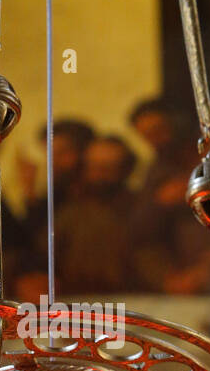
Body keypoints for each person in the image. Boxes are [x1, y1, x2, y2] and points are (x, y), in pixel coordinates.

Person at [9, 118, 93, 302]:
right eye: (50, 153)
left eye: (62, 153)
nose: (53, 161)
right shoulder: (56, 194)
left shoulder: (95, 198)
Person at [54, 134, 136, 293]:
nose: (98, 175)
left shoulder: (138, 208)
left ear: (124, 170)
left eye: (106, 168)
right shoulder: (71, 210)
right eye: (93, 167)